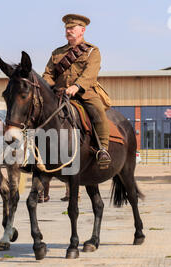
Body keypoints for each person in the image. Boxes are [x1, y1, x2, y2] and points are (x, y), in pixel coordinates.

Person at [42, 14, 112, 168]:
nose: (68, 31)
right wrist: (52, 88)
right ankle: (36, 152)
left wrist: (77, 86)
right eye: (67, 28)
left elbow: (90, 73)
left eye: (72, 28)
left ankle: (103, 149)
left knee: (98, 113)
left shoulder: (92, 51)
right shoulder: (57, 53)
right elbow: (48, 74)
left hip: (85, 92)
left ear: (82, 30)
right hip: (59, 94)